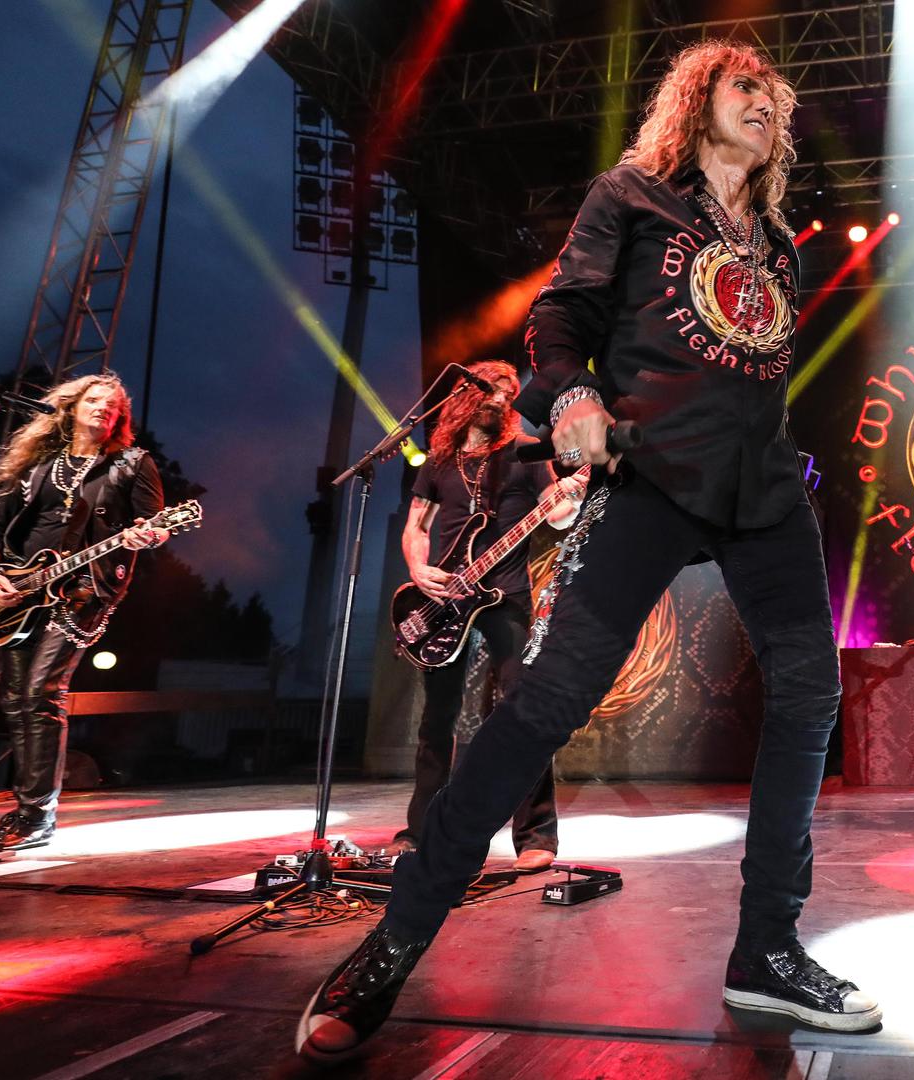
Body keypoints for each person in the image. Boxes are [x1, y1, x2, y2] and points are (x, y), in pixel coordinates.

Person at [298, 41, 879, 1063]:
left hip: (764, 493)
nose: (767, 104)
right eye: (746, 87)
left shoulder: (780, 246)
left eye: (776, 97)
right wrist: (569, 395)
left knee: (810, 694)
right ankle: (397, 937)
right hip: (651, 472)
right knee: (547, 702)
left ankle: (767, 949)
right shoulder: (634, 196)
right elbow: (560, 315)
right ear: (698, 101)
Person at [394, 359, 585, 873]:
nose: (501, 398)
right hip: (444, 601)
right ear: (465, 395)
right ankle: (420, 831)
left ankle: (536, 835)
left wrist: (570, 497)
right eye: (491, 389)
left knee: (522, 711)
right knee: (437, 719)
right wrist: (418, 568)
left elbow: (556, 514)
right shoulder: (439, 461)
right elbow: (416, 527)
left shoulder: (523, 451)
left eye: (508, 391)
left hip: (506, 595)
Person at [0, 373, 166, 849]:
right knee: (14, 696)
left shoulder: (132, 463)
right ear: (71, 407)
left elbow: (157, 525)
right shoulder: (34, 462)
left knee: (42, 690)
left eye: (113, 405)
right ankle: (25, 811)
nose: (103, 408)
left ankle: (37, 815)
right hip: (21, 588)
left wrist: (147, 534)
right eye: (94, 400)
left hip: (85, 587)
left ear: (120, 418)